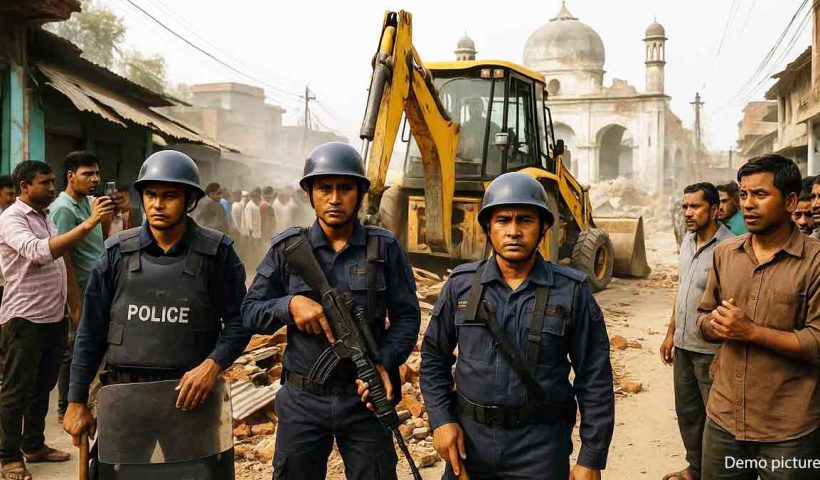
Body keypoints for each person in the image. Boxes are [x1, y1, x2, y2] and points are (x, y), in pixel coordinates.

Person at [242, 142, 420, 479]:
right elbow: (250, 311)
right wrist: (289, 305)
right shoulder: (289, 249)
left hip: (364, 397)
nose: (335, 198)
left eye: (345, 188)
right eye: (325, 188)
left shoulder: (384, 248)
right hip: (303, 399)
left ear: (360, 193)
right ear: (310, 193)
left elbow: (407, 317)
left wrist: (384, 361)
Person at [420, 172, 614, 480]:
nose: (513, 231)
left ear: (543, 227)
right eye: (503, 221)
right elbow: (433, 358)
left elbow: (595, 378)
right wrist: (441, 420)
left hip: (540, 448)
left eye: (525, 220)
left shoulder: (571, 291)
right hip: (471, 444)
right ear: (488, 228)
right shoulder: (462, 286)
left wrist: (591, 457)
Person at [62, 150, 250, 466]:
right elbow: (90, 333)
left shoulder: (217, 254)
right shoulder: (116, 254)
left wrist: (213, 365)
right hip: (125, 392)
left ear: (189, 200)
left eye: (170, 196)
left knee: (196, 474)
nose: (157, 204)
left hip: (192, 395)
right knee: (118, 474)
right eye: (151, 195)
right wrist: (76, 399)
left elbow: (240, 321)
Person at [698, 155, 820, 479]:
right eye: (743, 195)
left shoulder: (815, 262)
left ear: (791, 201)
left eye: (760, 195)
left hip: (787, 429)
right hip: (723, 418)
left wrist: (750, 331)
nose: (748, 204)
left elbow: (817, 341)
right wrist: (715, 325)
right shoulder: (726, 253)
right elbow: (703, 317)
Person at [0, 160, 113, 480]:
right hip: (24, 317)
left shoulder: (46, 215)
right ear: (24, 187)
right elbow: (38, 252)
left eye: (52, 182)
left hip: (52, 316)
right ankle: (9, 456)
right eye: (45, 183)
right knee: (16, 389)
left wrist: (72, 306)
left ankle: (33, 445)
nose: (52, 188)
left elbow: (63, 263)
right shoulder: (11, 219)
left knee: (43, 386)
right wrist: (90, 223)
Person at [659, 182, 732, 480]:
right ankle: (696, 467)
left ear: (714, 210)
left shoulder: (730, 247)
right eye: (684, 206)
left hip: (710, 351)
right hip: (684, 346)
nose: (688, 213)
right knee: (688, 413)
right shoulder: (688, 241)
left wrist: (725, 352)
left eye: (695, 206)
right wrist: (670, 333)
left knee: (715, 419)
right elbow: (683, 290)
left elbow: (732, 304)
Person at [49, 151, 108, 422]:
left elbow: (100, 242)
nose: (94, 179)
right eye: (87, 174)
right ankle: (65, 407)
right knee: (75, 348)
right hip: (79, 288)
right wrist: (74, 301)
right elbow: (64, 256)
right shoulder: (63, 208)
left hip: (95, 287)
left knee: (94, 344)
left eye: (96, 173)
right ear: (71, 177)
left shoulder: (90, 204)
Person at [242, 187, 263, 266]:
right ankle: (250, 266)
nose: (257, 198)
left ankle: (255, 264)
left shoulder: (254, 205)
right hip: (252, 233)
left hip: (257, 232)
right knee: (252, 251)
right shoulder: (249, 206)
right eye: (255, 196)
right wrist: (250, 232)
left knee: (255, 250)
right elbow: (248, 220)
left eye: (257, 196)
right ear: (252, 197)